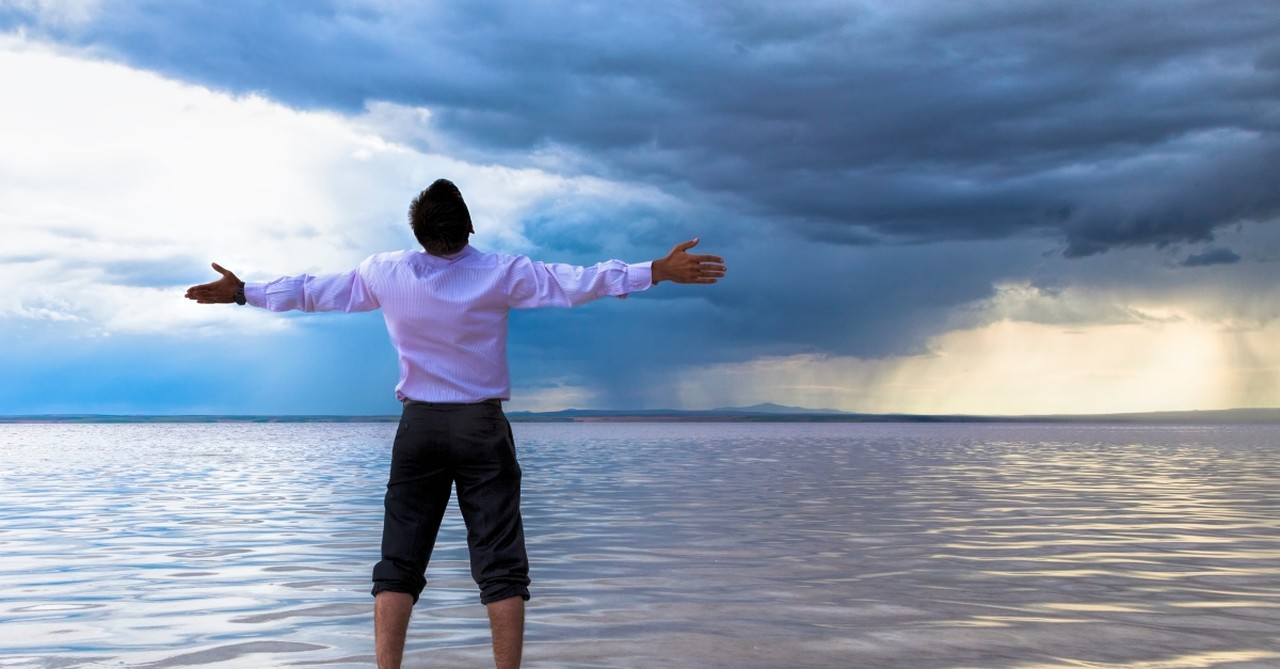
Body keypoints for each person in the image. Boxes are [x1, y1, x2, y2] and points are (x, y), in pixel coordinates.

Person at [184, 178, 726, 669]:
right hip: (480, 428)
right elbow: (575, 283)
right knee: (500, 561)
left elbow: (311, 291)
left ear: (417, 234)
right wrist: (654, 270)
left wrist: (243, 291)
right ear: (469, 226)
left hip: (418, 428)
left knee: (398, 560)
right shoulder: (503, 272)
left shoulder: (385, 272)